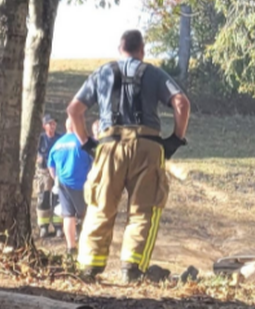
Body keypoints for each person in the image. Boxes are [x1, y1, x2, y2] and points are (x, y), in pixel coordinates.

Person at [68, 29, 191, 283]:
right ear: (142, 50)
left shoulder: (102, 73)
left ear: (119, 48)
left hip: (109, 144)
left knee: (100, 206)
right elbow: (181, 103)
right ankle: (131, 270)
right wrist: (176, 138)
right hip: (148, 146)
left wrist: (87, 143)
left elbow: (74, 110)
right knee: (143, 210)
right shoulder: (154, 73)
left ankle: (89, 268)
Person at [47, 117, 96, 259]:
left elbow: (51, 165)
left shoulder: (57, 144)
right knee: (86, 215)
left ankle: (71, 247)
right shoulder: (83, 143)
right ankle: (86, 245)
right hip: (82, 184)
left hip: (63, 185)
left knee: (68, 216)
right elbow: (94, 162)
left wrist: (56, 178)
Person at [36, 114, 64, 238]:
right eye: (50, 124)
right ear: (44, 126)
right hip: (43, 173)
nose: (53, 126)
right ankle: (44, 227)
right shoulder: (40, 139)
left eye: (54, 124)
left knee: (58, 199)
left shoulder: (60, 138)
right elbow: (35, 153)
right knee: (43, 199)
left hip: (58, 172)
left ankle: (58, 226)